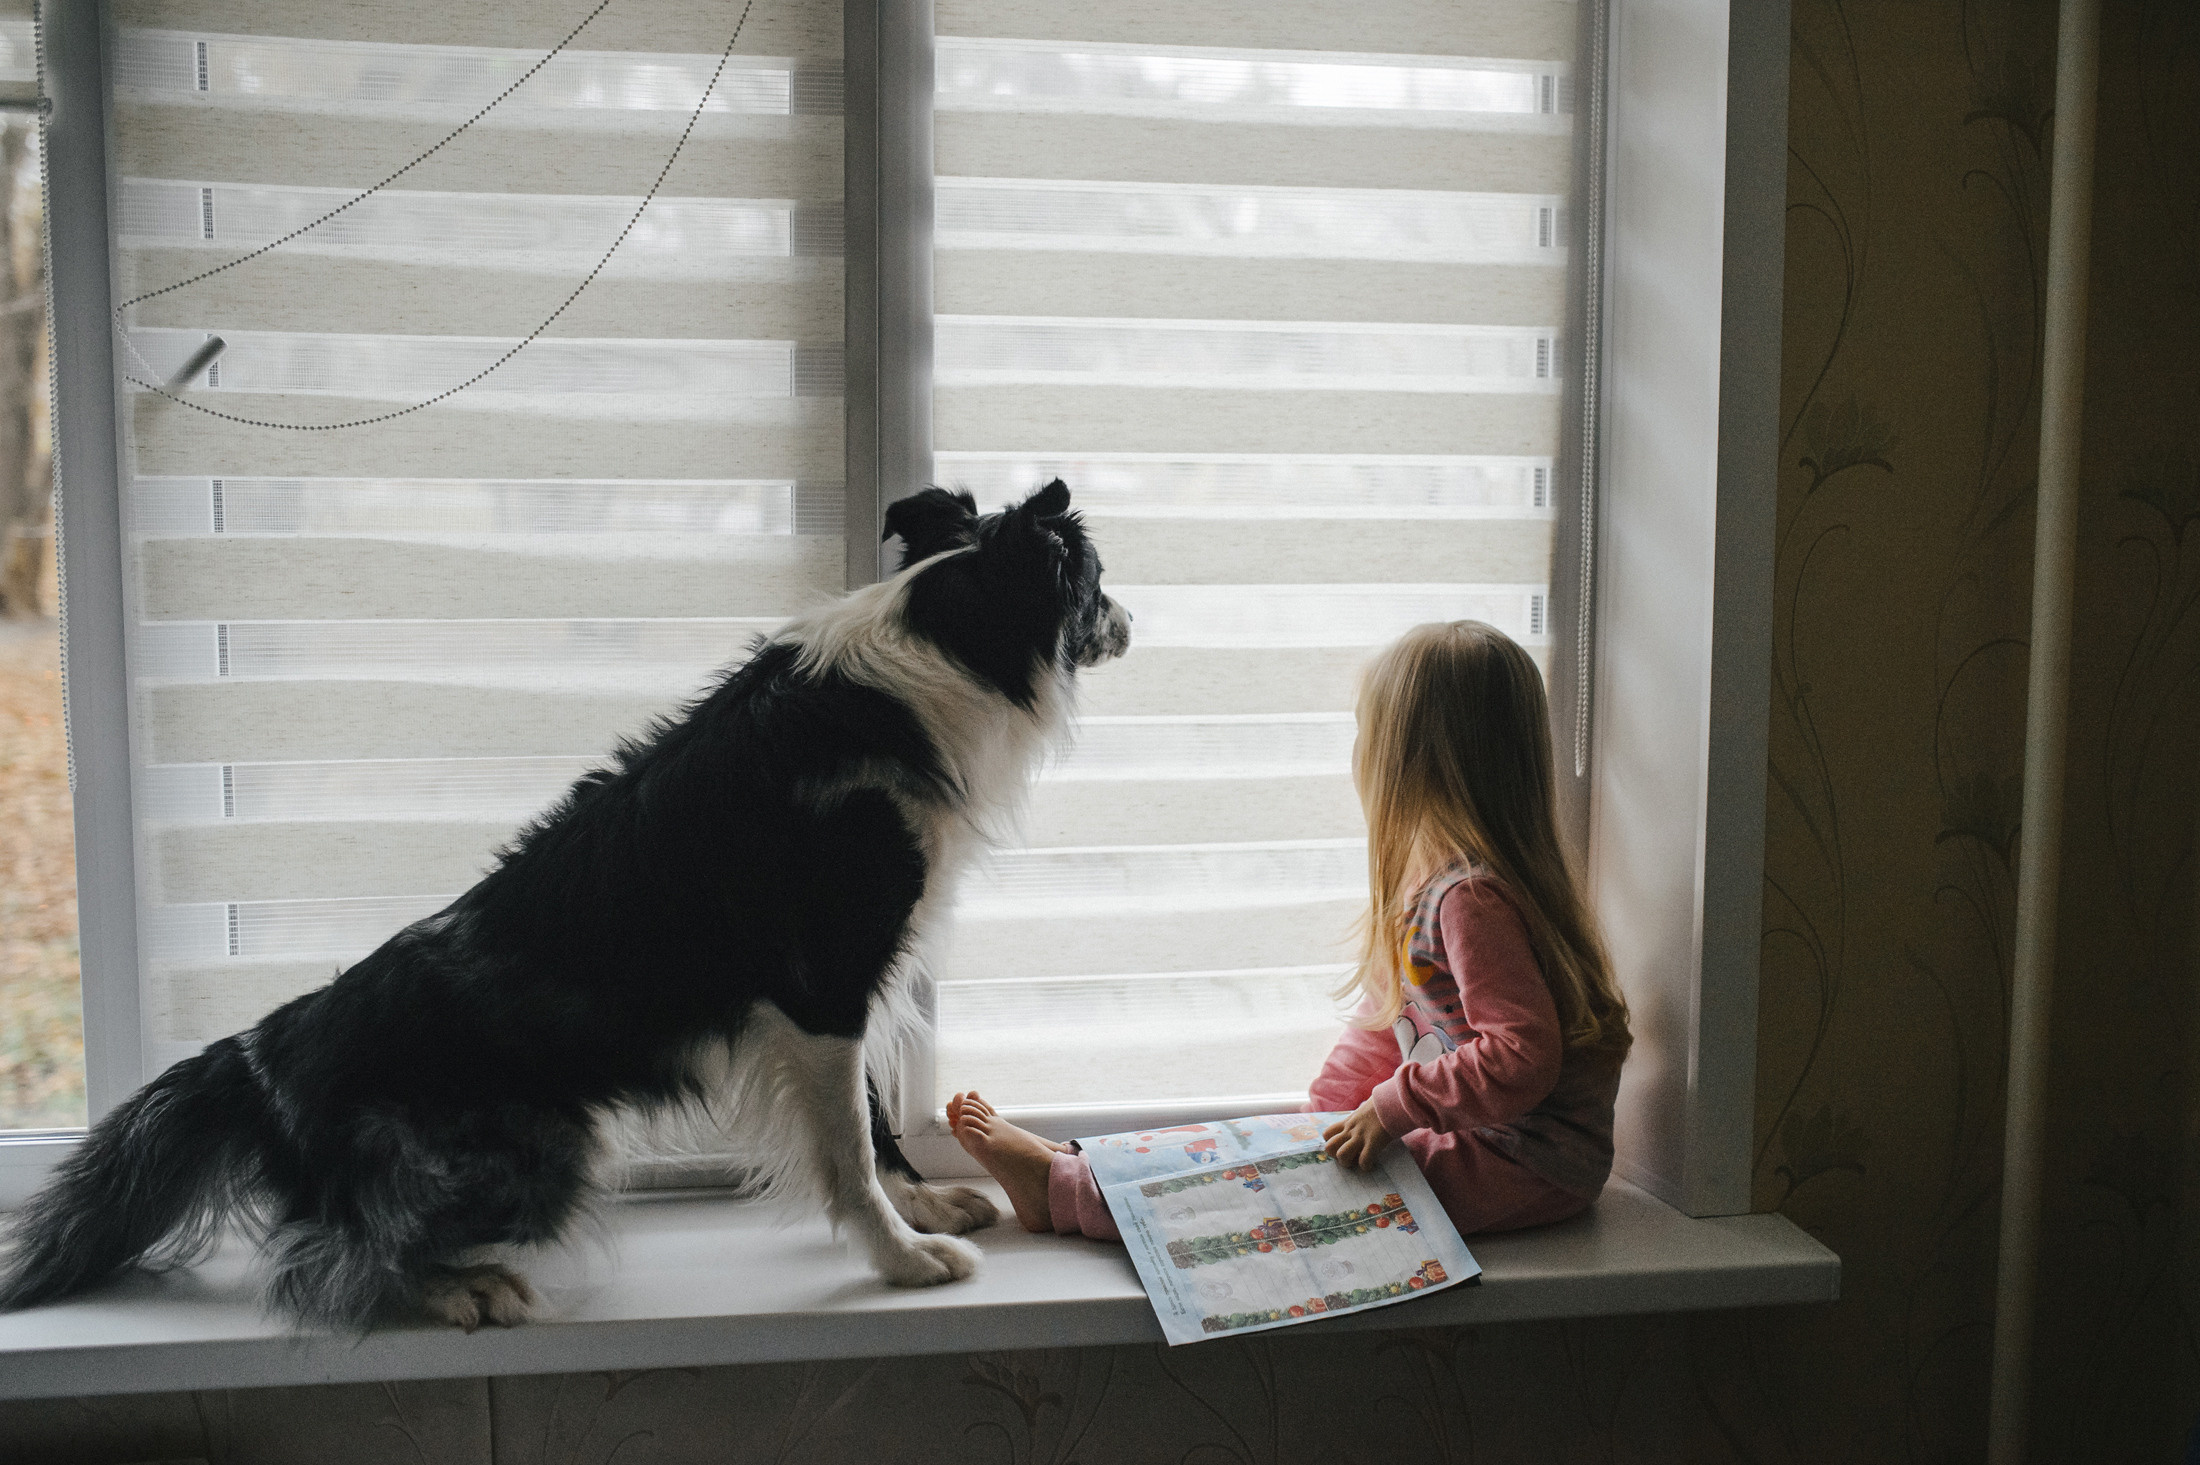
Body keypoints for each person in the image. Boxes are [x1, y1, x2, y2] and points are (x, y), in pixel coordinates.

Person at [947, 619, 1632, 1242]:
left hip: (1526, 1163)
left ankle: (1062, 1194)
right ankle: (1077, 1167)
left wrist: (1393, 1108)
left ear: (1404, 761)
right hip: (1497, 1146)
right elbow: (1383, 1024)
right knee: (1278, 1161)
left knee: (1284, 1196)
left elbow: (1522, 1053)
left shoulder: (1472, 900)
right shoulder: (1436, 890)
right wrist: (1319, 1120)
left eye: (1367, 731)